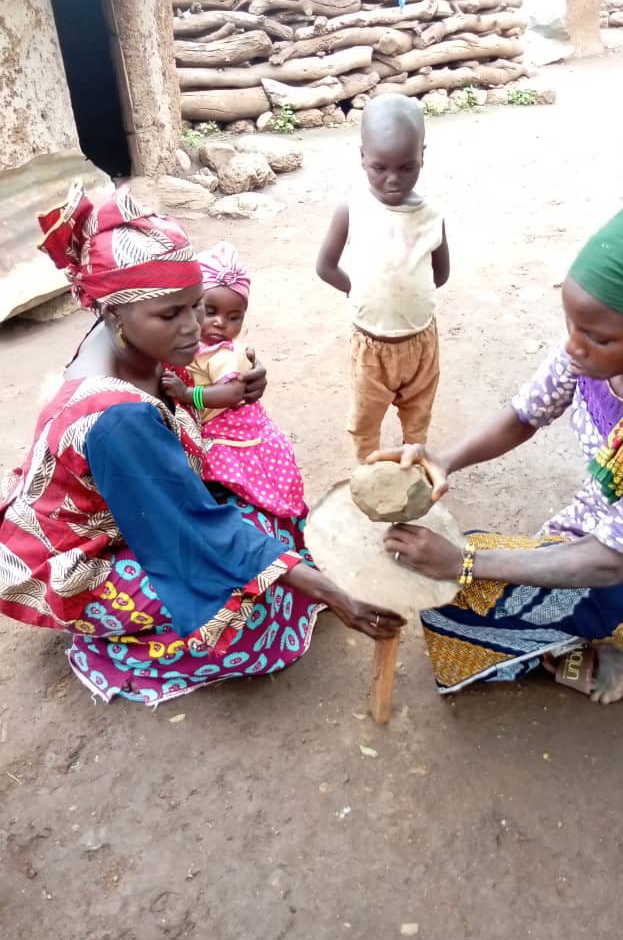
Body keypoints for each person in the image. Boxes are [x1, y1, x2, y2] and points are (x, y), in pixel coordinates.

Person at [0, 182, 403, 706]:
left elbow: (198, 391)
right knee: (244, 607)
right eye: (171, 315)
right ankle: (114, 645)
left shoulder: (130, 344)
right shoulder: (116, 419)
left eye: (196, 305)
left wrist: (241, 378)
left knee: (267, 522)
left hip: (132, 509)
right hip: (78, 558)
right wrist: (332, 594)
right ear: (114, 313)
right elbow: (190, 530)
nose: (195, 329)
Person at [376, 197, 623, 704]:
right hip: (596, 529)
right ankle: (587, 633)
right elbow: (524, 414)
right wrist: (442, 459)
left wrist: (464, 562)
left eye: (595, 336)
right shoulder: (594, 350)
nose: (573, 345)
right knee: (454, 571)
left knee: (455, 594)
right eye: (572, 324)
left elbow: (610, 563)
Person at [316, 93, 450, 462]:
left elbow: (440, 273)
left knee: (418, 415)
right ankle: (367, 472)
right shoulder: (352, 210)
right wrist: (358, 289)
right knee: (365, 420)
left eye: (407, 167)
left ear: (422, 156)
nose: (393, 179)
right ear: (362, 157)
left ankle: (413, 466)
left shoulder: (432, 216)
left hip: (421, 342)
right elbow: (325, 266)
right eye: (379, 167)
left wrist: (408, 292)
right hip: (370, 345)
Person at [161, 240, 305, 519]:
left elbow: (232, 393)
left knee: (241, 482)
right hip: (211, 424)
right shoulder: (199, 347)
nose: (220, 322)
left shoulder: (224, 354)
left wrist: (188, 395)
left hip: (231, 431)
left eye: (233, 317)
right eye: (211, 311)